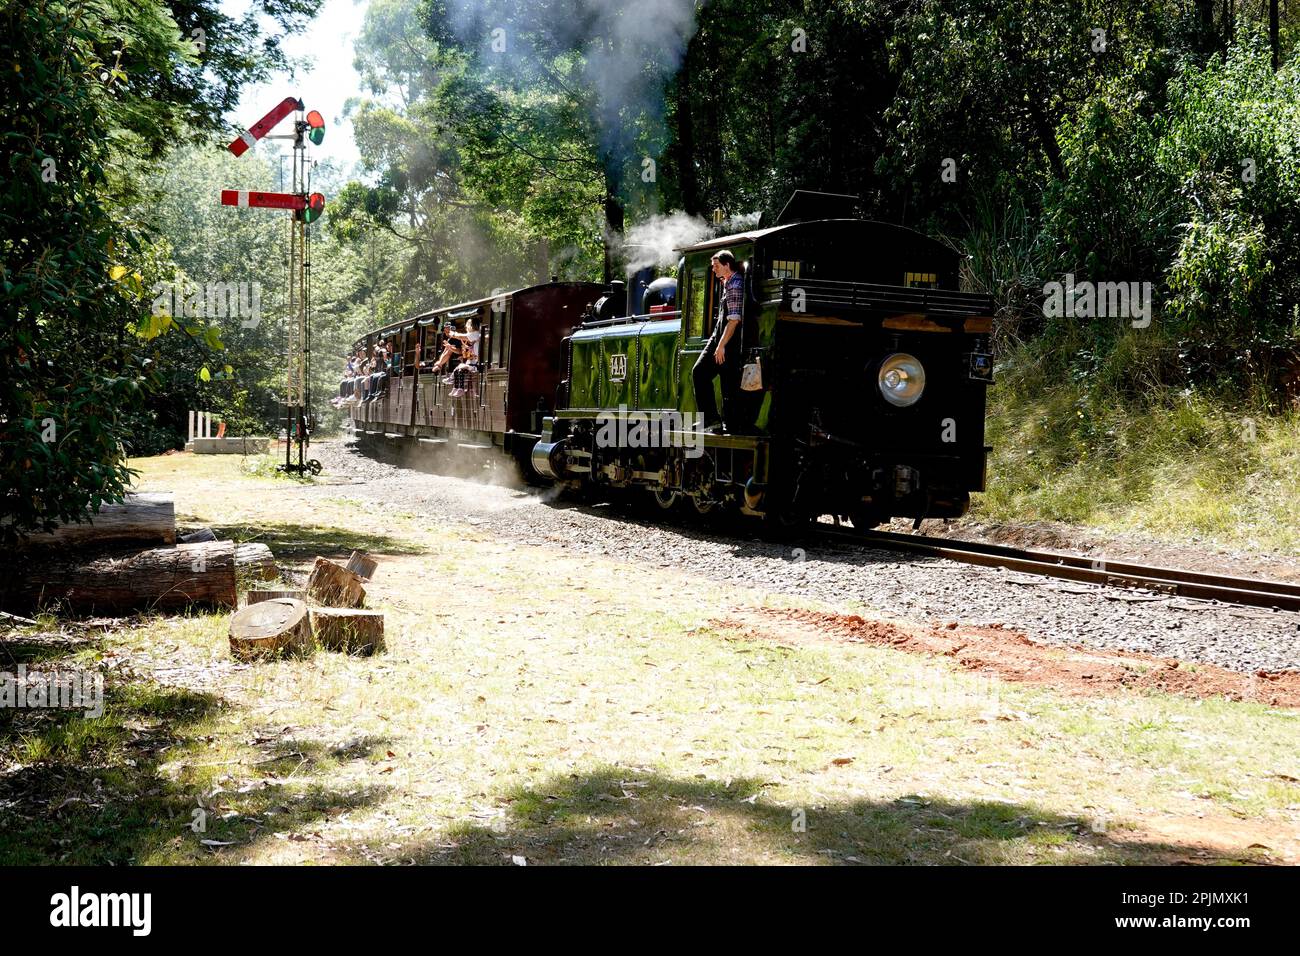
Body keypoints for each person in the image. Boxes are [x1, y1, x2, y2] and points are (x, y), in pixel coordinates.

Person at [691, 250, 745, 432]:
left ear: (727, 265)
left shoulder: (735, 285)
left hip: (727, 343)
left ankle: (718, 421)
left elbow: (734, 319)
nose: (713, 270)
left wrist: (721, 345)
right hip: (718, 338)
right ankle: (711, 419)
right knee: (700, 373)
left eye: (716, 266)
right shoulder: (727, 282)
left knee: (706, 375)